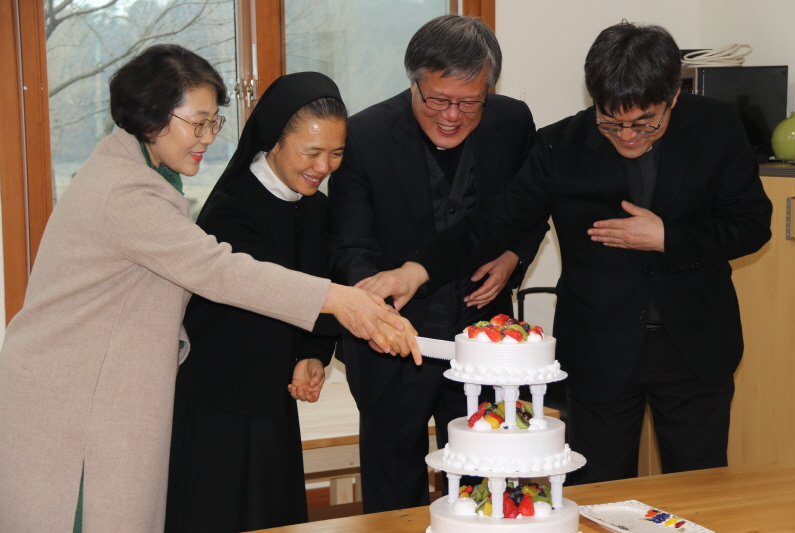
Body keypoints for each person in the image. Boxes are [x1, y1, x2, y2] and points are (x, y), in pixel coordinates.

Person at [0, 45, 419, 533]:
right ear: (152, 115)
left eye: (212, 123)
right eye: (196, 124)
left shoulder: (146, 172)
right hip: (81, 400)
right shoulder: (127, 192)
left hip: (109, 386)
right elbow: (217, 269)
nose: (207, 138)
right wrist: (337, 299)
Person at [358, 21, 772, 485]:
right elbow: (491, 223)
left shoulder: (716, 126)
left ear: (673, 96)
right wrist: (416, 271)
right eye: (612, 121)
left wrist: (667, 238)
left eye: (645, 122)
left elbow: (752, 224)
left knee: (699, 492)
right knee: (597, 496)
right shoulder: (561, 146)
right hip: (600, 353)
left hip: (696, 350)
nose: (628, 135)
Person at [327, 14, 548, 512]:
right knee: (393, 485)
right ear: (414, 82)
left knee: (490, 477)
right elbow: (348, 245)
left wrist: (515, 255)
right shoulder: (364, 135)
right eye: (438, 100)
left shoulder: (513, 123)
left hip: (485, 336)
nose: (452, 115)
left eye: (470, 102)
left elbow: (533, 205)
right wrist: (375, 309)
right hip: (393, 342)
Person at [165, 72, 346, 532]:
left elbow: (324, 280)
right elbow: (271, 296)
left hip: (271, 402)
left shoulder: (316, 206)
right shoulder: (233, 208)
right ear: (275, 143)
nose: (324, 166)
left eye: (336, 153)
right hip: (219, 405)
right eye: (312, 153)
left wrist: (312, 353)